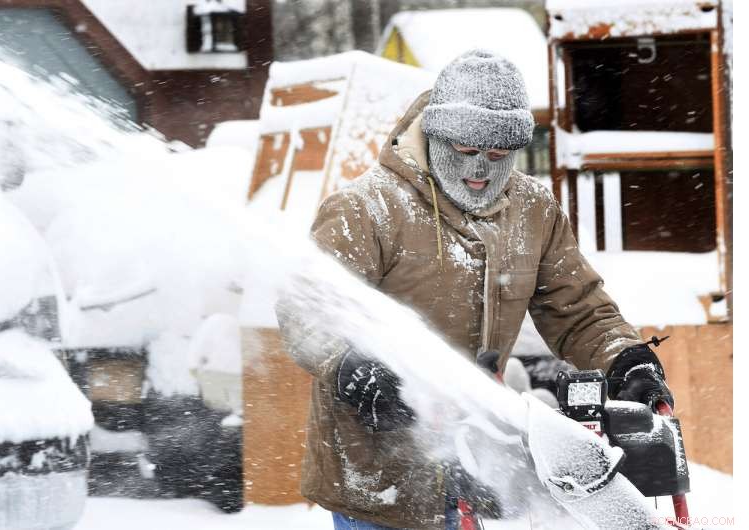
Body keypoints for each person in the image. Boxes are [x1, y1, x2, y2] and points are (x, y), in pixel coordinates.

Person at [276, 49, 674, 530]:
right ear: (438, 134)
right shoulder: (368, 208)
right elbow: (306, 308)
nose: (481, 170)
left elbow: (579, 307)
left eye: (499, 155)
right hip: (379, 470)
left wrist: (623, 357)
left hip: (475, 463)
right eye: (466, 152)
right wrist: (351, 365)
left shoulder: (532, 209)